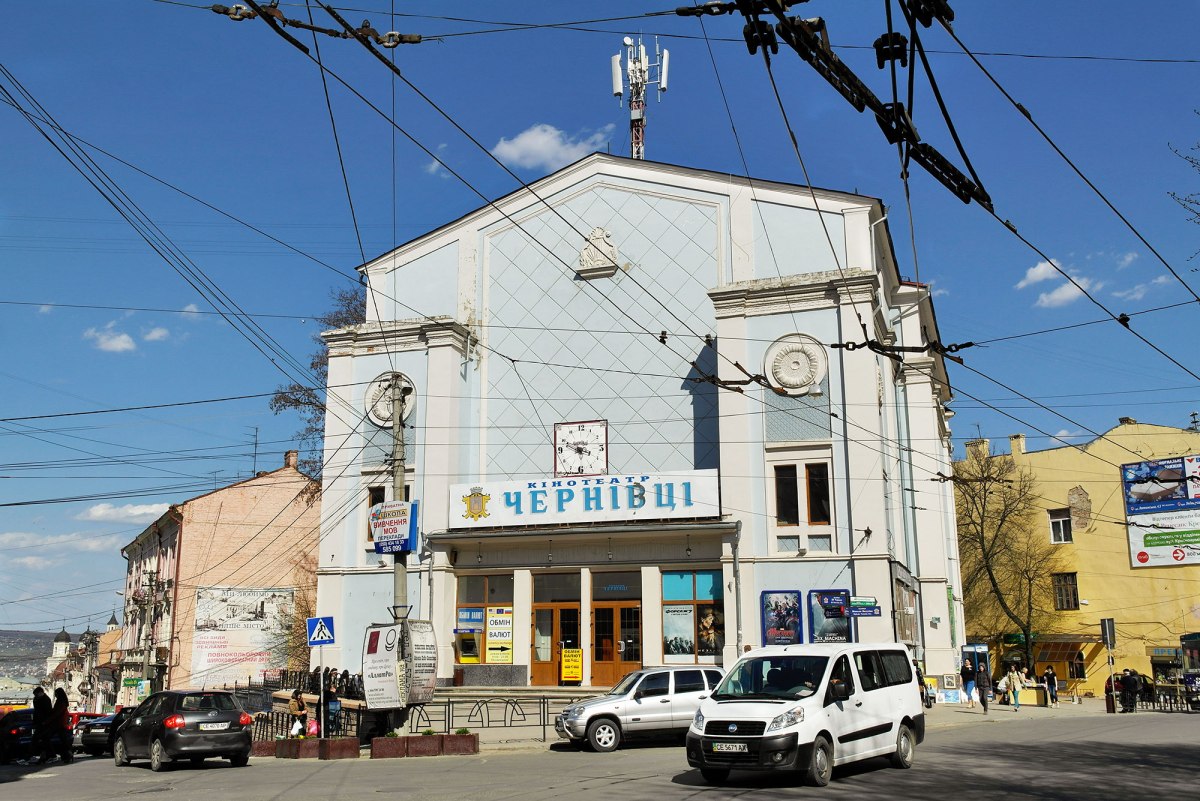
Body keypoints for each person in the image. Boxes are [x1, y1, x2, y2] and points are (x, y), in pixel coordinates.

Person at [24, 686, 52, 765]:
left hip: (44, 723)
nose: (35, 696)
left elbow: (47, 712)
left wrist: (45, 722)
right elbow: (36, 711)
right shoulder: (37, 700)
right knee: (44, 740)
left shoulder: (46, 700)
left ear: (40, 693)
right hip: (40, 723)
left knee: (38, 740)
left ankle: (32, 756)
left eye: (36, 694)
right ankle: (47, 756)